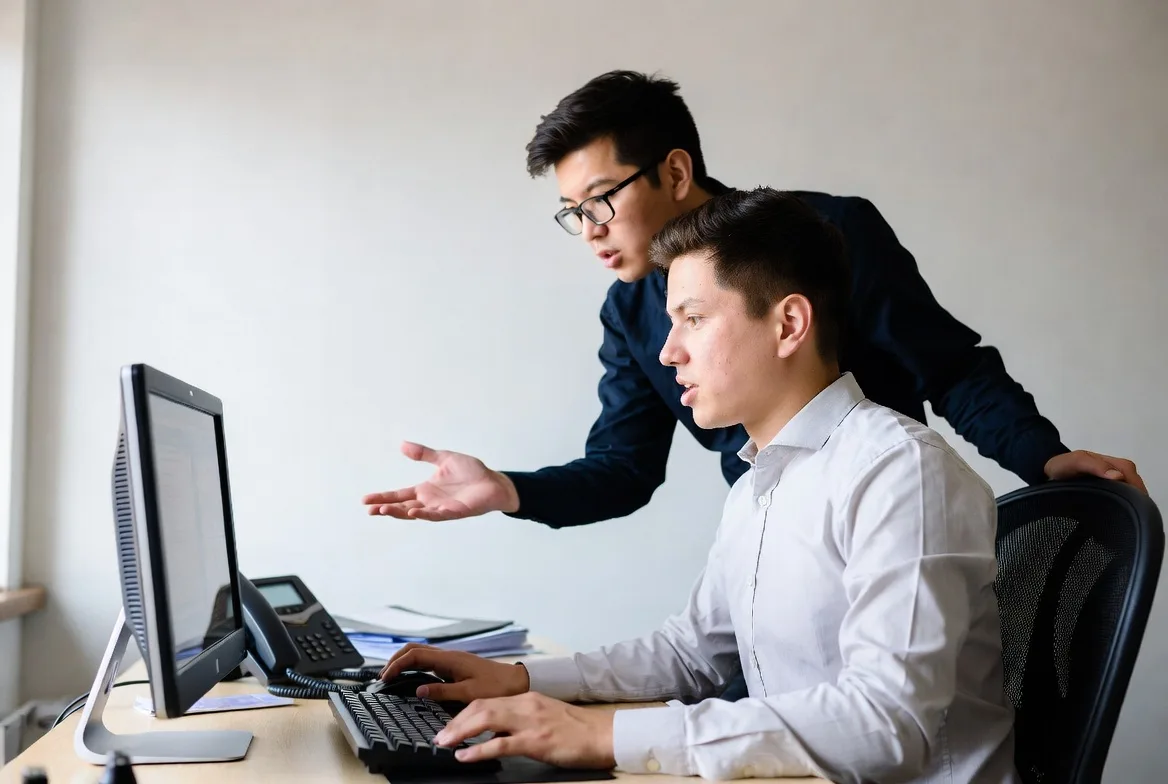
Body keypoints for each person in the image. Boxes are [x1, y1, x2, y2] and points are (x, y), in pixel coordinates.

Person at [376, 188, 1020, 781]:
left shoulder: (899, 472)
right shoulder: (757, 484)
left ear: (789, 324)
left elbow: (886, 723)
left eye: (694, 319)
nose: (668, 352)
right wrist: (521, 679)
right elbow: (693, 655)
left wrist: (602, 734)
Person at [363, 69, 1144, 531]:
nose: (590, 230)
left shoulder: (829, 234)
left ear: (675, 172)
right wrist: (508, 490)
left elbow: (949, 368)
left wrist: (1043, 456)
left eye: (600, 200)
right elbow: (623, 469)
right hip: (768, 548)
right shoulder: (629, 312)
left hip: (886, 527)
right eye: (573, 212)